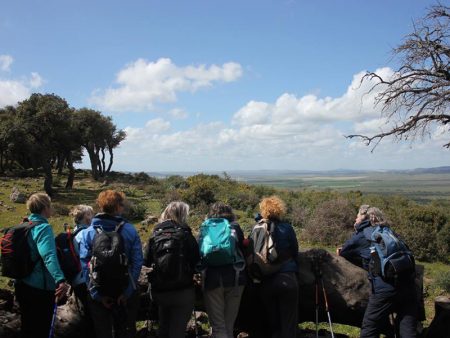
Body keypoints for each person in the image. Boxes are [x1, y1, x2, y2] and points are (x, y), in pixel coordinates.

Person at [79, 190, 143, 338]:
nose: (123, 208)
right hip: (125, 290)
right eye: (122, 205)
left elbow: (84, 263)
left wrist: (96, 295)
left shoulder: (88, 232)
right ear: (117, 208)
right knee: (126, 331)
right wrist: (127, 292)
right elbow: (137, 261)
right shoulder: (129, 230)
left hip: (99, 291)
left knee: (103, 332)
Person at [15, 193, 69, 338]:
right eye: (50, 206)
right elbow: (48, 256)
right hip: (40, 288)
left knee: (27, 326)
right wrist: (60, 280)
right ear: (45, 207)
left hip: (22, 283)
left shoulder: (24, 225)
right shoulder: (43, 228)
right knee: (41, 328)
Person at [359, 207, 418, 338]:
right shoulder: (391, 232)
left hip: (384, 288)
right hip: (408, 285)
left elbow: (348, 251)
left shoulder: (366, 235)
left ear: (366, 219)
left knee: (370, 327)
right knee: (407, 328)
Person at [143, 201, 200, 338]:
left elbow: (146, 261)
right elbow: (196, 262)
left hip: (160, 291)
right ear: (182, 215)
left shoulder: (155, 234)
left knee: (164, 325)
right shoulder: (186, 234)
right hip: (183, 290)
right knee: (178, 329)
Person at [200, 202, 247, 338]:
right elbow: (243, 249)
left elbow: (200, 252)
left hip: (212, 280)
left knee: (218, 326)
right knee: (228, 325)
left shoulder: (206, 227)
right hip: (236, 278)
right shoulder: (234, 227)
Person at [255, 196, 299, 338]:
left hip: (265, 281)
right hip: (287, 278)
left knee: (272, 323)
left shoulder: (258, 227)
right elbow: (295, 251)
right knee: (288, 323)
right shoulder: (287, 228)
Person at [68, 204, 95, 337]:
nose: (93, 216)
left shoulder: (74, 232)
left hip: (76, 280)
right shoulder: (85, 234)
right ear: (86, 218)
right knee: (92, 317)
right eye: (90, 213)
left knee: (84, 315)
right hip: (86, 280)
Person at [336, 204, 372, 270]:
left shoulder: (361, 234)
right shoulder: (377, 227)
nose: (355, 219)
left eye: (357, 217)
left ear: (362, 218)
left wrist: (356, 230)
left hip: (371, 269)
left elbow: (343, 252)